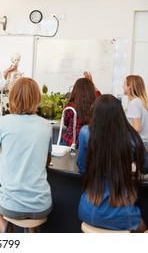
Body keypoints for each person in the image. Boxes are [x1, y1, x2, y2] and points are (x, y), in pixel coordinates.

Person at [0, 77, 53, 232]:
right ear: (37, 98)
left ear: (12, 98)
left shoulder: (3, 122)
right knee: (32, 220)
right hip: (42, 205)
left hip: (11, 204)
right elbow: (46, 162)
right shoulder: (46, 126)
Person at [77, 94, 148, 232]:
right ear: (120, 114)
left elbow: (82, 167)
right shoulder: (131, 138)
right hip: (121, 214)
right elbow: (145, 167)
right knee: (143, 228)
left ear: (95, 113)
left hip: (87, 210)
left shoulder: (86, 133)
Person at [60, 72, 100, 148]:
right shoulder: (95, 105)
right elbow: (100, 96)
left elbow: (66, 123)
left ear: (75, 89)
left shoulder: (70, 106)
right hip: (88, 144)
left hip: (71, 142)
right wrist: (92, 83)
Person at [123, 75, 148, 148]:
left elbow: (136, 128)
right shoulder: (142, 102)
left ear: (129, 86)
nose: (122, 86)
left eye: (124, 83)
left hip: (137, 145)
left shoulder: (134, 103)